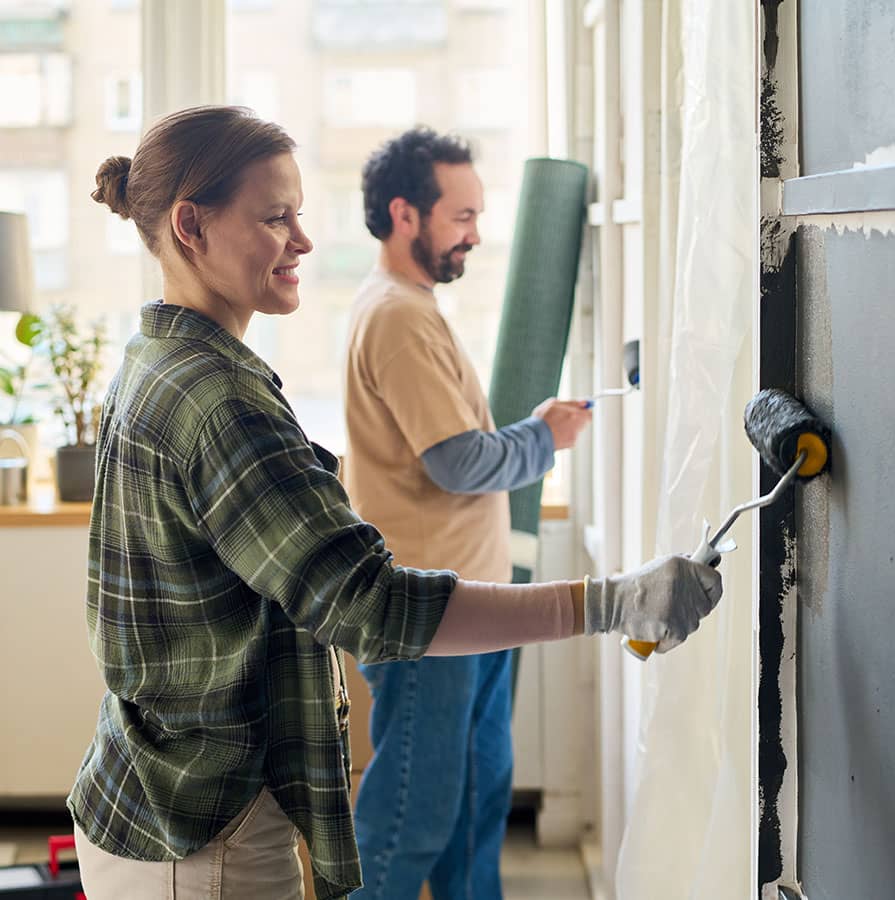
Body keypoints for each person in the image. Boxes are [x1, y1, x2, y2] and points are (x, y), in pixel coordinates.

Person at [68, 105, 722, 900]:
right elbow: (372, 602)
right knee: (409, 825)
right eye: (276, 218)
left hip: (168, 802)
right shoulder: (221, 400)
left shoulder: (161, 357)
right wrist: (615, 602)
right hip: (203, 840)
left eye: (299, 214)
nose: (303, 241)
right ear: (191, 227)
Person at [342, 127, 593, 900]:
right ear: (404, 214)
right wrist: (542, 439)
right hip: (427, 615)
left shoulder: (410, 306)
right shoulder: (397, 317)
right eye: (461, 217)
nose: (476, 237)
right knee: (412, 819)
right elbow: (455, 463)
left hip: (469, 605)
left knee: (476, 801)